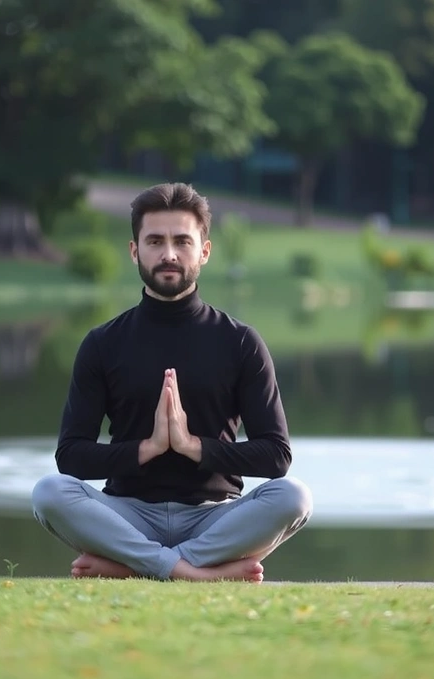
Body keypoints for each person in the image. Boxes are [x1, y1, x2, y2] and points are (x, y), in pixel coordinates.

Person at [31, 182, 313, 582]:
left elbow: (276, 457)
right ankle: (195, 572)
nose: (168, 254)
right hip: (127, 515)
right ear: (134, 251)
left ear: (205, 251)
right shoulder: (103, 344)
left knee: (294, 497)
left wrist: (192, 447)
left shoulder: (240, 342)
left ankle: (134, 566)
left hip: (214, 517)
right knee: (49, 493)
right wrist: (146, 450)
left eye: (182, 241)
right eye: (155, 241)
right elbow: (71, 456)